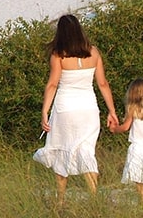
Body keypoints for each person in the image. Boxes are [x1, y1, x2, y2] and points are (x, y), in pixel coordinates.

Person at [33, 14, 120, 206]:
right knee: (86, 151)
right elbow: (103, 84)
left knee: (62, 150)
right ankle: (94, 196)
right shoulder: (94, 53)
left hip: (66, 109)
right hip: (88, 108)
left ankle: (61, 199)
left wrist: (45, 111)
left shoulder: (59, 55)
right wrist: (112, 111)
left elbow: (53, 84)